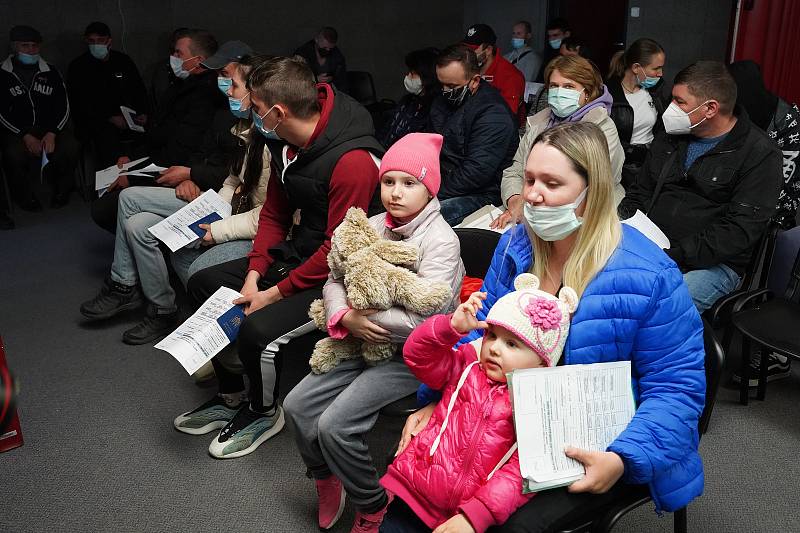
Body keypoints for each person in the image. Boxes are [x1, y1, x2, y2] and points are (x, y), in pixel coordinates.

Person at [402, 121, 706, 533]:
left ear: (590, 193)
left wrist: (621, 458)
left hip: (594, 438)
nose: (531, 194)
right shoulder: (516, 246)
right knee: (414, 494)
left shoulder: (650, 275)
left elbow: (677, 389)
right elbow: (479, 331)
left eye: (551, 182)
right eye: (529, 179)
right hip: (502, 414)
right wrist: (437, 400)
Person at [176, 56, 385, 459]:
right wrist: (254, 275)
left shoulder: (352, 162)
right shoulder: (284, 142)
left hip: (341, 272)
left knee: (257, 328)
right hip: (302, 249)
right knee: (204, 282)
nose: (249, 113)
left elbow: (338, 248)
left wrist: (272, 295)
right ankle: (233, 394)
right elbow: (274, 213)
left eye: (255, 107)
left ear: (278, 111)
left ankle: (263, 410)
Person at [283, 133, 464, 533]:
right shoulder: (369, 224)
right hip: (356, 337)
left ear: (429, 187)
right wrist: (345, 316)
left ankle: (372, 503)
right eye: (388, 182)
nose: (395, 193)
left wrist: (367, 318)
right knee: (296, 407)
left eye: (409, 183)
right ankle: (325, 475)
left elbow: (428, 319)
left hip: (412, 354)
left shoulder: (442, 242)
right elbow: (334, 278)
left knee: (336, 426)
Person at [78, 53, 266, 346]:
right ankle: (164, 308)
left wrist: (217, 224)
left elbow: (265, 212)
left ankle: (124, 285)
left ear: (256, 93)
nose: (227, 89)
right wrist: (210, 207)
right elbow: (232, 180)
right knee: (138, 225)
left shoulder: (265, 138)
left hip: (240, 220)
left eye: (234, 84)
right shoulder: (242, 128)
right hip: (220, 204)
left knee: (131, 202)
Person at [381, 273, 577, 533]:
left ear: (542, 361)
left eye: (511, 343)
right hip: (414, 492)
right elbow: (418, 356)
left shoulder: (538, 406)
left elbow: (523, 471)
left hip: (468, 516)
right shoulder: (465, 366)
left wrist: (477, 514)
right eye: (492, 336)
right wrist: (449, 327)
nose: (494, 348)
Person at [618, 60, 783, 314]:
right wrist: (626, 232)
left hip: (711, 264)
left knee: (659, 310)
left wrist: (676, 254)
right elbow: (640, 191)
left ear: (710, 109)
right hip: (652, 248)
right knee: (600, 286)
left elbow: (739, 230)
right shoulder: (671, 136)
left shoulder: (759, 153)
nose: (671, 108)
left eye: (680, 102)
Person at [90, 29, 229, 233]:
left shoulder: (206, 95)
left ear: (198, 60)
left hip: (178, 171)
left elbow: (180, 151)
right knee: (105, 189)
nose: (173, 58)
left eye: (178, 53)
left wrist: (133, 176)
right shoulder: (183, 85)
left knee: (107, 207)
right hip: (164, 162)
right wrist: (131, 158)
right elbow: (160, 135)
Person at [728, 59, 800, 385]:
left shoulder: (788, 120)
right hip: (741, 205)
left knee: (772, 269)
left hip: (776, 215)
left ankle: (774, 354)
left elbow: (786, 183)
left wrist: (750, 209)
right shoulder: (738, 112)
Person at [491, 55, 624, 230]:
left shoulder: (601, 127)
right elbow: (514, 171)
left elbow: (594, 185)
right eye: (554, 86)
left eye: (569, 86)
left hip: (584, 217)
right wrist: (515, 200)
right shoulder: (538, 123)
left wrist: (535, 210)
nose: (559, 92)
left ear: (587, 92)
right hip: (530, 207)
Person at [428, 44, 518, 226]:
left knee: (425, 217)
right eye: (442, 84)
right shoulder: (443, 100)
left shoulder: (493, 113)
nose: (445, 91)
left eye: (452, 86)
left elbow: (476, 172)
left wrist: (431, 192)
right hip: (443, 180)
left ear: (475, 81)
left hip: (481, 192)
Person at [0, 25, 77, 210]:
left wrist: (52, 133)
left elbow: (63, 106)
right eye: (25, 46)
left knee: (71, 146)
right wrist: (25, 135)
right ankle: (25, 198)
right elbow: (1, 112)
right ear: (14, 47)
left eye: (34, 46)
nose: (30, 50)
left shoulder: (51, 71)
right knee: (13, 154)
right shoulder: (2, 73)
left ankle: (62, 191)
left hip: (49, 129)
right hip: (17, 131)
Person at [67, 21, 148, 169]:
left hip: (128, 117)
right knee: (106, 139)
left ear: (109, 41)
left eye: (100, 40)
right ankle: (113, 183)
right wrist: (109, 117)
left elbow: (138, 90)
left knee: (151, 135)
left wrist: (143, 112)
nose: (96, 44)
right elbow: (79, 102)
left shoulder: (123, 61)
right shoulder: (78, 67)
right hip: (96, 121)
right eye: (91, 41)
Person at [607, 38, 667, 190]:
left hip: (650, 164)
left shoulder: (657, 91)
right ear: (636, 68)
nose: (661, 73)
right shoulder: (609, 95)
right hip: (623, 167)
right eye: (656, 68)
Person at [462, 23, 526, 126]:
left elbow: (506, 119)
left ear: (488, 50)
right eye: (466, 49)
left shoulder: (510, 76)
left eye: (472, 50)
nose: (467, 54)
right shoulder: (467, 68)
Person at [377, 48, 440, 148]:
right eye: (409, 71)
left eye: (413, 73)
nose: (408, 76)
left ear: (427, 76)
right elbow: (387, 130)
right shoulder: (407, 101)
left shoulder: (436, 110)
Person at [294, 27, 348, 92]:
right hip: (307, 93)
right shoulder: (302, 53)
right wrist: (315, 79)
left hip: (330, 93)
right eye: (324, 47)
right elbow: (295, 79)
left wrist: (333, 79)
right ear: (316, 40)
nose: (327, 50)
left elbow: (342, 81)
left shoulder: (337, 56)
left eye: (330, 48)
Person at [535, 18, 571, 82]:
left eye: (555, 35)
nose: (551, 39)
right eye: (549, 36)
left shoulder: (573, 53)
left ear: (567, 34)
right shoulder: (548, 53)